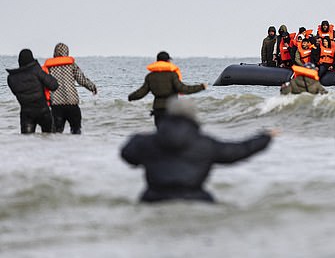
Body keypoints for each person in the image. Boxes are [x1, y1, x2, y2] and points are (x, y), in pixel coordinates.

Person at [121, 98, 275, 203]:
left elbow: (127, 155)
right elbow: (237, 151)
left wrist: (138, 137)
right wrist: (265, 137)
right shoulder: (205, 144)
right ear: (193, 117)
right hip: (195, 200)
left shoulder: (148, 142)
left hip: (154, 200)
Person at [128, 51, 207, 126]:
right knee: (172, 134)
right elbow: (183, 89)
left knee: (160, 133)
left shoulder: (150, 76)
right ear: (168, 61)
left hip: (158, 110)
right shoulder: (172, 75)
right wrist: (201, 87)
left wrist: (131, 97)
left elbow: (142, 92)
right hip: (171, 108)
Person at [42, 43, 97, 134]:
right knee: (76, 131)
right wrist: (92, 87)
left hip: (56, 105)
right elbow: (81, 80)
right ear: (66, 52)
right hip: (72, 104)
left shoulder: (49, 67)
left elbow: (44, 83)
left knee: (56, 133)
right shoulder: (71, 65)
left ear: (55, 53)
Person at [6, 49, 59, 133]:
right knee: (50, 139)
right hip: (43, 111)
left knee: (27, 142)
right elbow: (54, 85)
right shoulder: (36, 70)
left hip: (26, 113)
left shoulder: (11, 78)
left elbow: (15, 93)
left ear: (19, 61)